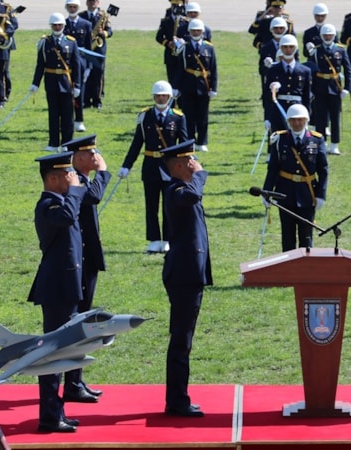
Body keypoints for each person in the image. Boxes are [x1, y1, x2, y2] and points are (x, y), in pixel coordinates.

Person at [28, 151, 88, 433]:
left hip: (66, 288)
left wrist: (80, 184)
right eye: (68, 174)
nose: (72, 178)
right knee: (53, 354)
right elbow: (66, 216)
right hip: (56, 290)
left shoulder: (63, 202)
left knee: (62, 351)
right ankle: (49, 417)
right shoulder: (49, 206)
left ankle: (56, 412)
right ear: (53, 179)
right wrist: (74, 190)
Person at [160, 139, 211, 418]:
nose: (195, 164)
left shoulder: (182, 189)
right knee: (181, 340)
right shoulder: (176, 190)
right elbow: (192, 196)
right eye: (190, 161)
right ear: (179, 165)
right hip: (183, 275)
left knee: (184, 339)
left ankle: (178, 398)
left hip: (189, 273)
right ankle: (177, 401)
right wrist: (200, 175)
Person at [61, 134, 111, 404]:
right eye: (91, 154)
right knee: (77, 322)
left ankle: (75, 380)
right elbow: (94, 197)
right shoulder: (74, 180)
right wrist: (103, 172)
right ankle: (71, 383)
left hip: (87, 259)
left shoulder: (81, 178)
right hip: (79, 261)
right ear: (78, 158)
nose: (96, 157)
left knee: (83, 321)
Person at [118, 80, 188, 254]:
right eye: (157, 96)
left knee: (169, 205)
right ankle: (154, 240)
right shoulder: (145, 116)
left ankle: (167, 239)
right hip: (150, 166)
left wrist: (186, 168)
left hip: (170, 168)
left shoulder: (178, 117)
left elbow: (184, 145)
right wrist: (127, 165)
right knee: (151, 205)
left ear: (169, 97)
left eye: (164, 96)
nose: (160, 98)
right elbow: (137, 143)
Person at [262, 104, 328, 251]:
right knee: (287, 236)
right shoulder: (280, 139)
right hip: (285, 193)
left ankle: (307, 264)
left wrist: (321, 195)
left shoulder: (316, 140)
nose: (297, 123)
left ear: (306, 120)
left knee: (306, 236)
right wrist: (267, 192)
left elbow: (323, 170)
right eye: (293, 120)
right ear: (288, 121)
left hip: (308, 193)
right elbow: (273, 168)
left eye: (300, 120)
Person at [31, 13, 81, 152]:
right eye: (55, 25)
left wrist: (77, 85)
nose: (57, 27)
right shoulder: (45, 42)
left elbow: (76, 65)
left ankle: (67, 144)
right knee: (53, 114)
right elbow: (40, 64)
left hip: (66, 83)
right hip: (51, 82)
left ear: (63, 26)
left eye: (59, 25)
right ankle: (53, 143)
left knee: (67, 116)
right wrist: (35, 83)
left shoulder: (71, 42)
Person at [174, 18, 216, 152]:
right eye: (193, 31)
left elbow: (213, 69)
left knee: (203, 116)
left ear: (202, 32)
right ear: (189, 31)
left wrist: (214, 87)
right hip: (188, 86)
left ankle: (202, 141)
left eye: (198, 30)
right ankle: (190, 140)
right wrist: (176, 87)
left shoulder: (209, 48)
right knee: (188, 116)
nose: (196, 33)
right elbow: (180, 68)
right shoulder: (184, 47)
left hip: (204, 86)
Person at [310, 24, 351, 155]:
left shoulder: (340, 50)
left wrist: (347, 88)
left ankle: (334, 144)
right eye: (325, 35)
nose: (328, 37)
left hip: (335, 87)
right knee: (320, 118)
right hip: (320, 88)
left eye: (330, 35)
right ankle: (321, 143)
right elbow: (310, 71)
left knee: (335, 117)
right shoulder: (316, 51)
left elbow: (348, 70)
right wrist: (310, 89)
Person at [264, 33, 311, 133]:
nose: (288, 49)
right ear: (280, 48)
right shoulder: (273, 70)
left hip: (297, 109)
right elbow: (267, 97)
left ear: (296, 48)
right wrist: (267, 117)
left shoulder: (305, 71)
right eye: (285, 47)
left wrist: (307, 114)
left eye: (291, 47)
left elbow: (306, 96)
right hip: (278, 110)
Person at [63, 0, 92, 132]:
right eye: (70, 7)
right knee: (66, 93)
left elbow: (89, 47)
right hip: (67, 63)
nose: (72, 9)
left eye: (74, 7)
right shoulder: (63, 24)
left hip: (81, 62)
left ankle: (79, 120)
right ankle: (67, 120)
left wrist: (88, 67)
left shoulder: (86, 24)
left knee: (79, 93)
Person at [79, 0, 113, 109]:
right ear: (86, 2)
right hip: (86, 50)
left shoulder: (103, 16)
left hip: (98, 50)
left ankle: (97, 100)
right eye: (90, 1)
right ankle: (86, 100)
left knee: (98, 75)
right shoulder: (81, 16)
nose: (92, 3)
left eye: (94, 1)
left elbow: (110, 32)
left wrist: (103, 33)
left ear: (98, 2)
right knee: (85, 75)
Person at [156, 0, 188, 87]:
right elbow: (158, 37)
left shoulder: (186, 21)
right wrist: (168, 43)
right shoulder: (166, 21)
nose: (176, 7)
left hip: (183, 55)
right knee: (172, 79)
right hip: (170, 55)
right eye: (174, 5)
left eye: (178, 5)